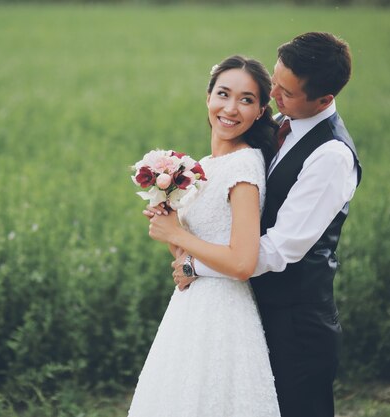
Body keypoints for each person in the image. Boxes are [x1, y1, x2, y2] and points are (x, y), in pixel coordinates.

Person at [169, 32, 362, 417]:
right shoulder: (280, 125)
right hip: (248, 309)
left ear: (324, 100)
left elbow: (277, 249)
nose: (273, 95)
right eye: (275, 81)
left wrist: (196, 265)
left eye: (286, 92)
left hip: (296, 324)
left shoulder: (331, 156)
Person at [128, 55, 281, 417]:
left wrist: (177, 232)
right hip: (191, 304)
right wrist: (171, 226)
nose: (231, 108)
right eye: (223, 94)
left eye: (246, 100)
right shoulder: (204, 167)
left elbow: (242, 262)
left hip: (223, 311)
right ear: (208, 96)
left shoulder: (244, 167)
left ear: (261, 111)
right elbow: (188, 251)